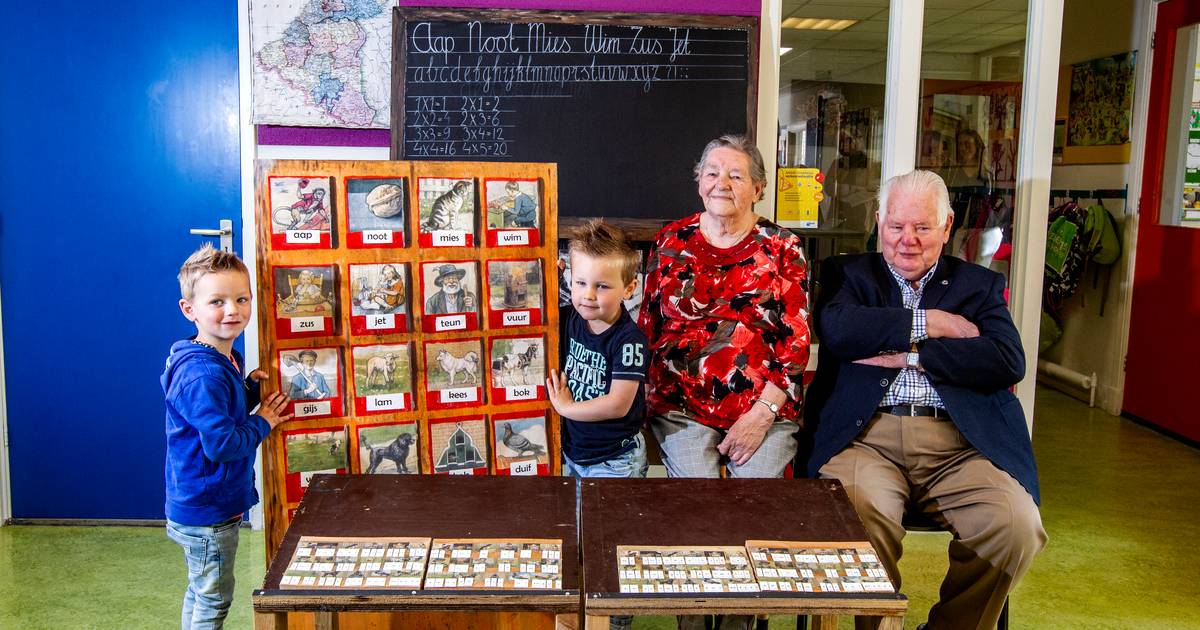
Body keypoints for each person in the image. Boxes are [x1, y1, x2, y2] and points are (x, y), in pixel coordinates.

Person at [804, 170, 1046, 630]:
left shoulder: (978, 285)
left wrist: (910, 355)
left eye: (922, 227)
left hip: (961, 445)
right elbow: (839, 331)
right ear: (879, 222)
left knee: (1016, 527)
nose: (907, 240)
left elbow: (1006, 360)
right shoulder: (848, 275)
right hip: (866, 439)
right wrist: (931, 322)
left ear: (947, 226)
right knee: (853, 513)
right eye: (896, 226)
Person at [639, 135, 809, 630]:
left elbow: (795, 344)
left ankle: (738, 623)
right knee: (694, 505)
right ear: (698, 181)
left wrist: (762, 414)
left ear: (758, 188)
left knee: (752, 507)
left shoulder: (783, 247)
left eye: (736, 175)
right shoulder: (671, 240)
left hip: (763, 409)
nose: (722, 183)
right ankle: (693, 622)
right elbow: (649, 324)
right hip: (681, 407)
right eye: (712, 172)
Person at [163, 243, 292, 629]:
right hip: (208, 512)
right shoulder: (203, 374)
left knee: (201, 591)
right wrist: (263, 421)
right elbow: (221, 444)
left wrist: (248, 390)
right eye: (217, 301)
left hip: (202, 505)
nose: (232, 310)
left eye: (241, 299)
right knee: (214, 600)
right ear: (189, 309)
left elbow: (219, 413)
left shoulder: (221, 359)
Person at [546, 220, 647, 630]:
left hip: (615, 461)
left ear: (629, 288)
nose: (588, 294)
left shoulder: (629, 339)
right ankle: (575, 620)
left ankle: (615, 622)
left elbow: (619, 404)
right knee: (576, 544)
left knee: (611, 552)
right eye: (580, 282)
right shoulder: (571, 316)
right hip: (575, 456)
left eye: (602, 286)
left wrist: (566, 408)